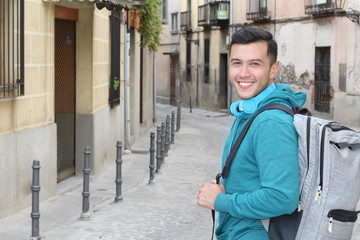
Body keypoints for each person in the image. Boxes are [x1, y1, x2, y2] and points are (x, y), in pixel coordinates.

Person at [197, 27, 306, 239]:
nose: (243, 73)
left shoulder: (270, 121)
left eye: (254, 64)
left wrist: (220, 201)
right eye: (237, 63)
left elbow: (282, 197)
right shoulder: (250, 111)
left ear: (274, 70)